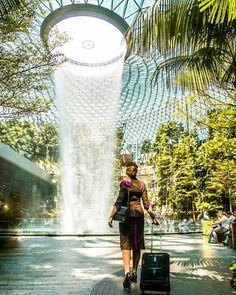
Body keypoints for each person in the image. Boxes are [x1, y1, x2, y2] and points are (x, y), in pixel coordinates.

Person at [108, 161, 159, 289]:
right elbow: (147, 203)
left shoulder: (125, 183)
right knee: (137, 244)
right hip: (138, 216)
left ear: (127, 171)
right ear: (136, 171)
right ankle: (135, 272)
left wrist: (111, 216)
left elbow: (119, 202)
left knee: (126, 244)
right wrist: (153, 217)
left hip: (126, 217)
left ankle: (127, 272)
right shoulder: (141, 184)